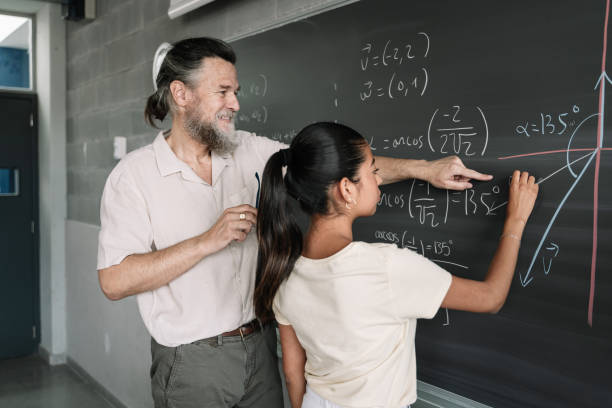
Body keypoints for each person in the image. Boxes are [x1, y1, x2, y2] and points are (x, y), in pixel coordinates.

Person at [96, 37, 492, 408]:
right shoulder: (134, 177)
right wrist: (206, 241)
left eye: (236, 91)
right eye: (223, 91)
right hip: (191, 362)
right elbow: (114, 281)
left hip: (261, 344)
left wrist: (424, 169)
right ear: (181, 94)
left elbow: (336, 170)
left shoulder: (249, 150)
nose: (234, 103)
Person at [254, 122, 539, 408]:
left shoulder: (283, 270)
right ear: (346, 189)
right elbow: (491, 297)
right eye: (372, 170)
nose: (378, 179)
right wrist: (515, 221)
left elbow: (292, 373)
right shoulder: (384, 267)